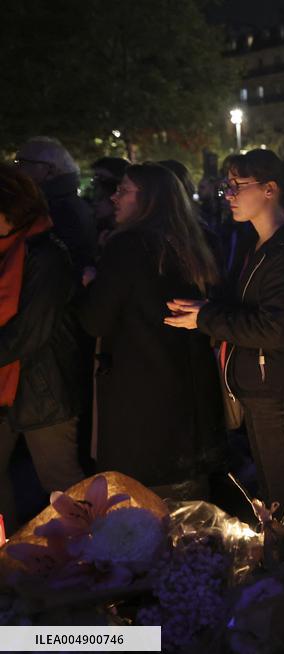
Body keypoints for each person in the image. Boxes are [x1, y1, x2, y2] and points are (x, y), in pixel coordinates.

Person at [164, 150, 284, 521]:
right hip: (262, 389)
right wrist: (206, 310)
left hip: (283, 390)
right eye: (227, 186)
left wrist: (205, 317)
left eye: (238, 185)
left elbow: (274, 328)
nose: (229, 195)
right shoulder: (259, 247)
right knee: (274, 499)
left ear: (270, 189)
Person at [76, 163, 223, 495]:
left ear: (149, 200)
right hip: (189, 395)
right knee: (190, 504)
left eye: (124, 190)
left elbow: (96, 320)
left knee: (145, 509)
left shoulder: (126, 247)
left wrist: (91, 286)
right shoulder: (190, 243)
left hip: (142, 398)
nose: (114, 197)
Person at [0, 165, 84, 530]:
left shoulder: (45, 254)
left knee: (63, 486)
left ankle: (96, 567)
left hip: (43, 387)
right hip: (8, 384)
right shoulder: (7, 250)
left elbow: (29, 332)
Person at [14, 137, 97, 273]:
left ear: (50, 170)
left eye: (22, 163)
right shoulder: (61, 204)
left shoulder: (57, 211)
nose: (16, 168)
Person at [89, 157, 130, 246]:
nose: (95, 182)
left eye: (101, 177)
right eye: (95, 177)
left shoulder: (128, 234)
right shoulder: (100, 227)